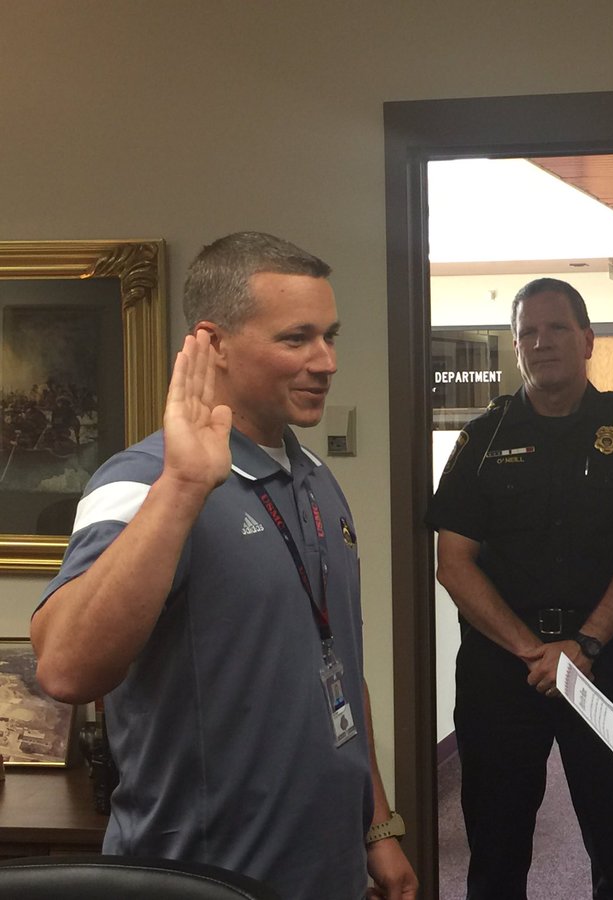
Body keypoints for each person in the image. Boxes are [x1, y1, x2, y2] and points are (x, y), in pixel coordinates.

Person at [31, 232, 418, 900]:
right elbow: (65, 668)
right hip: (201, 881)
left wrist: (377, 827)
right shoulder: (141, 482)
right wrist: (184, 486)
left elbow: (338, 667)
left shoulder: (316, 479)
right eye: (296, 339)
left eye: (330, 336)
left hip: (325, 873)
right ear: (213, 345)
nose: (325, 361)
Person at [427, 277, 613, 899]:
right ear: (516, 345)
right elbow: (453, 564)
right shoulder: (484, 437)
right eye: (528, 333)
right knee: (495, 849)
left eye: (557, 329)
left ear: (588, 340)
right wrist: (534, 653)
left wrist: (586, 646)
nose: (541, 343)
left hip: (605, 665)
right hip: (504, 671)